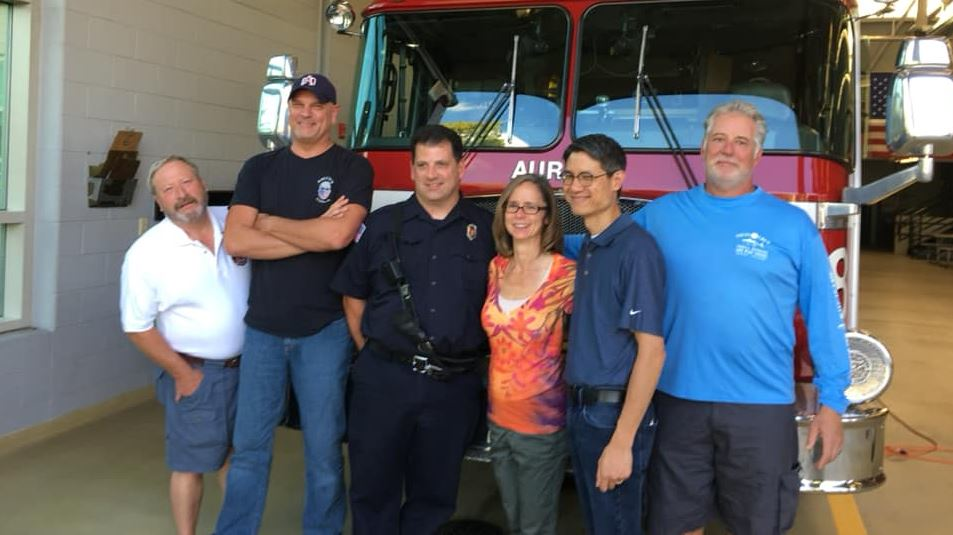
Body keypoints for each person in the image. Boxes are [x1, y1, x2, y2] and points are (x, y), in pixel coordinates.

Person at [633, 100, 851, 535]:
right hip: (678, 402)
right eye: (718, 139)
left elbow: (824, 316)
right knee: (674, 523)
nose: (727, 150)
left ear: (757, 155)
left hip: (760, 408)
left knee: (757, 525)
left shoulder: (792, 226)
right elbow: (601, 250)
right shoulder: (661, 215)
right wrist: (525, 241)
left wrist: (832, 401)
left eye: (740, 142)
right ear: (702, 148)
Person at [213, 73, 373, 535]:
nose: (306, 112)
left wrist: (270, 222)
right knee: (249, 450)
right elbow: (236, 239)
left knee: (323, 453)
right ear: (289, 111)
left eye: (316, 105)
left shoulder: (352, 168)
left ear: (333, 114)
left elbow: (339, 235)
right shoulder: (258, 168)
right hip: (262, 329)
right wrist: (313, 234)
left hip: (324, 331)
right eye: (298, 104)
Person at [330, 125, 495, 535]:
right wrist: (371, 352)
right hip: (385, 379)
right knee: (372, 489)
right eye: (423, 165)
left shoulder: (489, 231)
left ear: (461, 166)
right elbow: (353, 296)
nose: (432, 173)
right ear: (412, 170)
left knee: (435, 494)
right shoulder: (381, 225)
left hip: (453, 385)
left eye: (442, 164)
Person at [120, 155, 250, 535]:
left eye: (187, 182)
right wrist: (182, 374)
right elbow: (136, 326)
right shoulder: (147, 254)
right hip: (196, 371)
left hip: (248, 367)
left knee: (237, 458)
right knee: (190, 462)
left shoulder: (233, 220)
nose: (182, 194)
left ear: (202, 182)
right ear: (159, 202)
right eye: (169, 189)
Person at [561, 134, 667, 535]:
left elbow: (652, 351)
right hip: (582, 409)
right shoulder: (590, 246)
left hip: (612, 417)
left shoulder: (636, 250)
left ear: (617, 179)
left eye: (588, 177)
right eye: (569, 177)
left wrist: (622, 443)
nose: (575, 187)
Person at [480, 174, 574, 535]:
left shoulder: (565, 274)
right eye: (513, 205)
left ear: (547, 216)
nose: (521, 214)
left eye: (531, 206)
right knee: (514, 520)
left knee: (534, 528)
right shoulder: (497, 267)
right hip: (498, 420)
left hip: (540, 426)